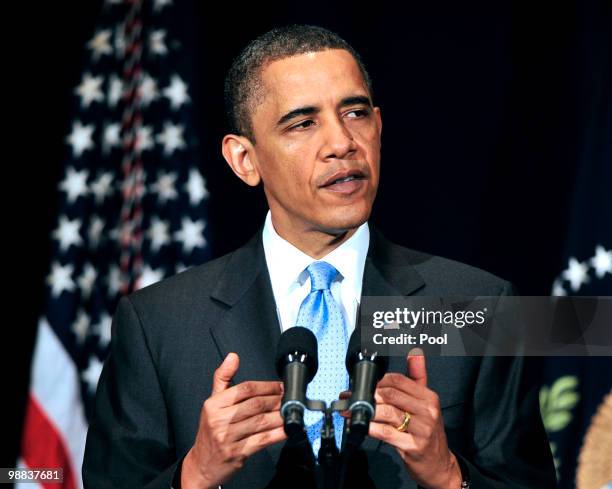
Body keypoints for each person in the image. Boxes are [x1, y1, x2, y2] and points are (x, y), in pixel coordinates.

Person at [82, 25, 556, 489]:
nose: (342, 143)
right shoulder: (158, 323)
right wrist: (193, 477)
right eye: (304, 123)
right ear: (244, 160)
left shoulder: (479, 306)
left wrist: (452, 478)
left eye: (356, 113)